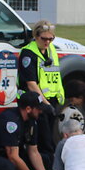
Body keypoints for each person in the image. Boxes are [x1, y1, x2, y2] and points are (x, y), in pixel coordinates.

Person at [19, 20, 64, 154]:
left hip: (50, 100)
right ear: (36, 36)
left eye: (51, 39)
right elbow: (31, 83)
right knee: (43, 141)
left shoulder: (51, 51)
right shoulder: (28, 53)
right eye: (44, 38)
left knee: (50, 138)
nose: (48, 42)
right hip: (35, 101)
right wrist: (46, 104)